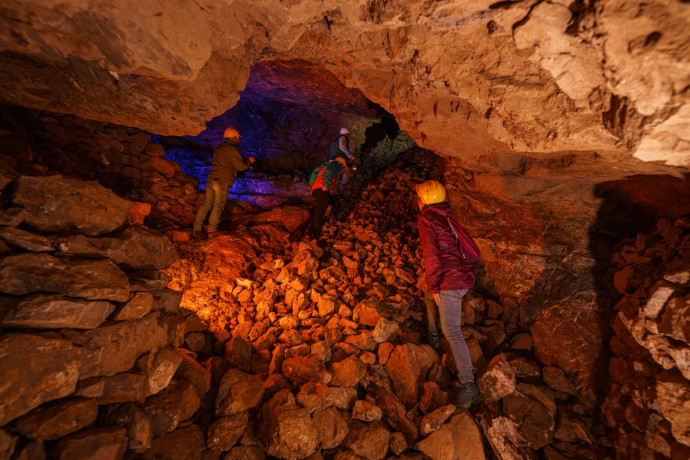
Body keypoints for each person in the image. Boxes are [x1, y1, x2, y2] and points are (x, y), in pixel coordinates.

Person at [415, 179, 482, 409]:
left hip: (451, 282)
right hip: (462, 275)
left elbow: (432, 257)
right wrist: (431, 287)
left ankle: (469, 387)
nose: (418, 200)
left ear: (424, 200)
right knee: (427, 292)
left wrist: (435, 286)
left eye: (420, 197)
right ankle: (433, 336)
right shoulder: (445, 216)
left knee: (452, 331)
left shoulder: (426, 219)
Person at [192, 127, 255, 239]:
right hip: (222, 181)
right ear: (235, 138)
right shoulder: (232, 149)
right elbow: (240, 166)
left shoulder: (219, 148)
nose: (239, 140)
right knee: (218, 205)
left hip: (211, 179)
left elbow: (227, 162)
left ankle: (196, 229)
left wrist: (243, 161)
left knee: (207, 204)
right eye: (238, 138)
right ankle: (211, 230)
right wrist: (249, 162)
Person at [308, 156, 348, 239]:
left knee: (333, 201)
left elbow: (313, 175)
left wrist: (313, 187)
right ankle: (315, 234)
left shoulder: (323, 166)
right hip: (322, 188)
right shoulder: (335, 166)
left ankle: (333, 219)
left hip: (316, 188)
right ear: (341, 164)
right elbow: (328, 172)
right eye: (343, 166)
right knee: (321, 210)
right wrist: (325, 184)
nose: (342, 169)